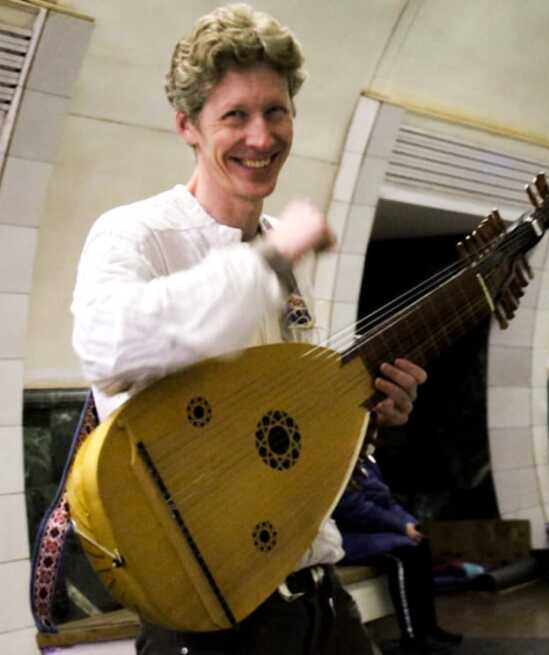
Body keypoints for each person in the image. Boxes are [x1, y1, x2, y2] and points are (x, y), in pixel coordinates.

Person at [70, 4, 427, 654]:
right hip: (208, 613)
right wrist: (266, 261)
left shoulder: (279, 260)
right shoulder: (136, 234)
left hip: (314, 593)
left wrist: (368, 417)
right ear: (188, 126)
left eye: (276, 111)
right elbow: (106, 344)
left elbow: (280, 435)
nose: (261, 138)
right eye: (235, 115)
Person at [333, 456, 462, 654]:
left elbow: (387, 501)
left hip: (371, 531)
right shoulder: (340, 460)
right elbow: (353, 508)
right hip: (348, 536)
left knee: (420, 545)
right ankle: (413, 636)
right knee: (404, 555)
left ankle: (428, 628)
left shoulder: (365, 459)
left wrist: (412, 525)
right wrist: (401, 526)